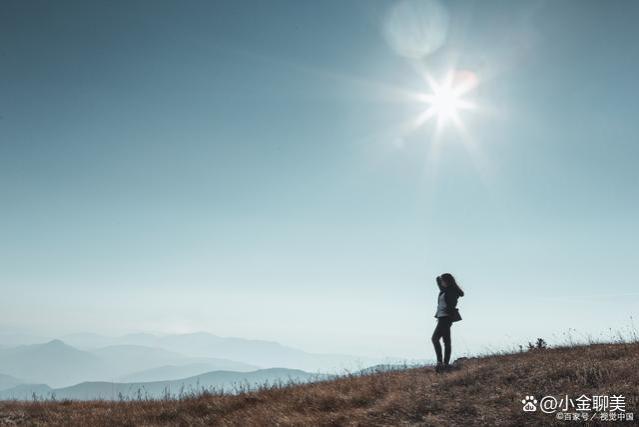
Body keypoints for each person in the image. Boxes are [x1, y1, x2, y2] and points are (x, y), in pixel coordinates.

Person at [431, 273, 464, 372]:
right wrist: (438, 278)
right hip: (441, 317)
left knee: (435, 338)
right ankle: (444, 364)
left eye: (442, 281)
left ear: (447, 281)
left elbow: (452, 304)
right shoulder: (444, 290)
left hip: (446, 318)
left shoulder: (451, 292)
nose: (441, 283)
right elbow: (439, 284)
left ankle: (440, 362)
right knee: (446, 341)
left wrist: (449, 315)